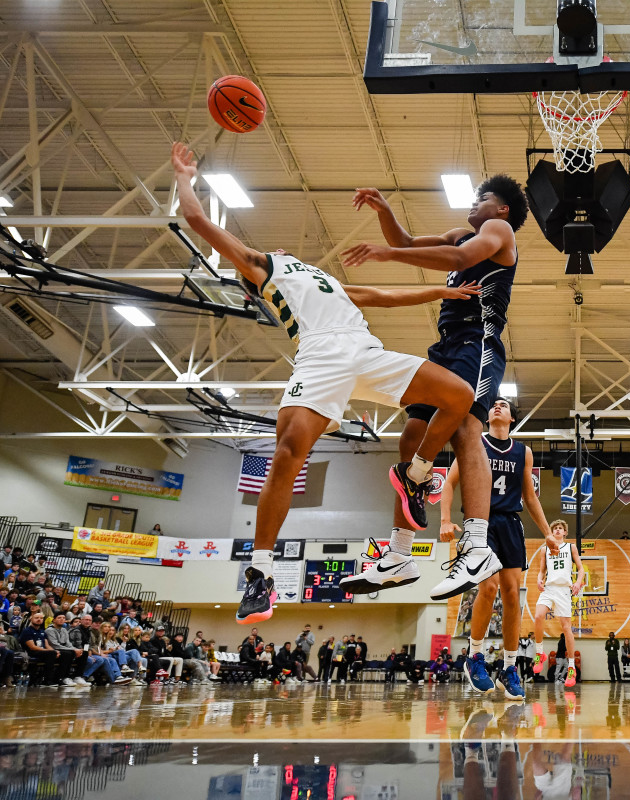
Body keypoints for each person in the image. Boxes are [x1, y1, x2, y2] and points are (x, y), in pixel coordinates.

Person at [170, 142, 481, 626]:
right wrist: (186, 178)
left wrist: (441, 290)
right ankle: (260, 573)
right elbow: (200, 224)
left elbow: (378, 294)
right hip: (320, 357)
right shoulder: (263, 266)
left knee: (461, 395)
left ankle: (414, 474)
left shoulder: (322, 277)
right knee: (288, 451)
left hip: (366, 349)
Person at [340, 175, 529, 603]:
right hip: (446, 345)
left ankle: (478, 547)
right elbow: (406, 241)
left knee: (465, 429)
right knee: (411, 434)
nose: (475, 203)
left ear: (500, 209)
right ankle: (400, 555)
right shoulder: (460, 233)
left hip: (478, 341)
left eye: (483, 198)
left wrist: (386, 255)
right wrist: (385, 212)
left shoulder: (499, 232)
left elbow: (459, 256)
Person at [434, 398, 551, 701]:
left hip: (510, 523)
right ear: (487, 416)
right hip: (480, 522)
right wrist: (445, 520)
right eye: (494, 404)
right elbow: (448, 484)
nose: (497, 406)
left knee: (512, 593)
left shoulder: (523, 452)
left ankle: (509, 669)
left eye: (504, 405)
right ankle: (474, 657)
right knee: (488, 587)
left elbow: (529, 496)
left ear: (513, 418)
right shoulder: (474, 443)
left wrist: (549, 533)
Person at [532, 519, 585, 689]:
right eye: (554, 528)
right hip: (549, 589)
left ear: (565, 532)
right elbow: (541, 571)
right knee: (538, 616)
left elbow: (581, 569)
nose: (557, 530)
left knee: (566, 628)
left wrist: (578, 582)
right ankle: (540, 653)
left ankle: (571, 667)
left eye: (560, 528)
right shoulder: (545, 549)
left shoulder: (571, 548)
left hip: (563, 590)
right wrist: (539, 580)